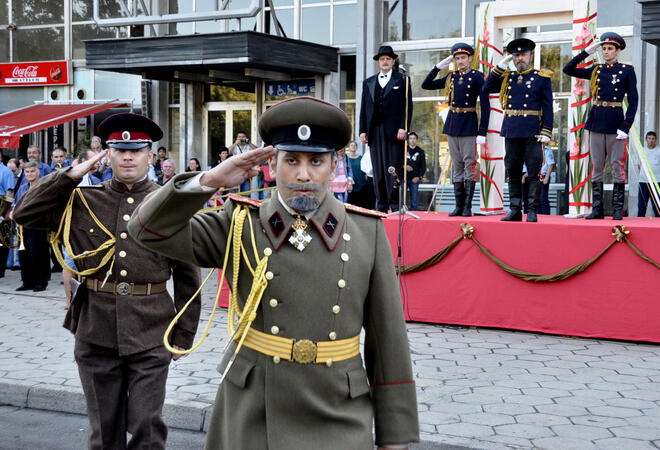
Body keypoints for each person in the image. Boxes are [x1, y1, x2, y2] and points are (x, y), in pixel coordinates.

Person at [128, 97, 419, 450]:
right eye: (291, 160)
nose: (303, 175)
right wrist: (209, 181)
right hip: (253, 409)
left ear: (334, 164)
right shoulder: (239, 224)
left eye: (317, 161)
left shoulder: (365, 232)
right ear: (272, 164)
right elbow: (146, 229)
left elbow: (388, 342)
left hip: (339, 412)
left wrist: (395, 437)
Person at [12, 112, 202, 450]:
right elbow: (23, 213)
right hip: (95, 329)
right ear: (107, 155)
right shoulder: (84, 199)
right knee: (104, 432)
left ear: (149, 154)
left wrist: (184, 333)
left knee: (147, 427)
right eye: (119, 149)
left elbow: (188, 275)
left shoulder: (168, 203)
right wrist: (68, 176)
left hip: (152, 329)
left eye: (137, 150)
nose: (128, 156)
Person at [563, 32, 638, 220]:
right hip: (597, 122)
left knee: (616, 167)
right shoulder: (596, 70)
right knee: (597, 167)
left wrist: (626, 126)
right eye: (603, 49)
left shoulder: (626, 71)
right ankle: (597, 209)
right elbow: (568, 69)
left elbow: (634, 101)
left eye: (610, 49)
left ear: (618, 50)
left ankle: (617, 210)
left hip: (616, 124)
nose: (606, 52)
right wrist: (585, 53)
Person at [483, 38, 554, 222]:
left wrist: (546, 131)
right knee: (513, 172)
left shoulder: (541, 78)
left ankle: (531, 210)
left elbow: (548, 107)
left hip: (533, 132)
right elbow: (486, 87)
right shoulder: (508, 77)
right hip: (512, 130)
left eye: (523, 55)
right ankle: (515, 209)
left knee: (533, 172)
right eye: (516, 56)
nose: (519, 59)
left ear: (530, 55)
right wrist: (499, 67)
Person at [421, 43, 489, 216]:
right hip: (453, 124)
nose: (460, 61)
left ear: (470, 58)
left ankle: (467, 206)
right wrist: (437, 68)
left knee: (469, 164)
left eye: (463, 58)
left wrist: (482, 131)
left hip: (468, 123)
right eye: (457, 58)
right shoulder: (451, 77)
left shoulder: (477, 77)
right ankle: (458, 206)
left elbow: (486, 106)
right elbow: (426, 85)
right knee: (456, 166)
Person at [359, 45, 413, 212]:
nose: (385, 62)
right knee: (378, 169)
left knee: (393, 167)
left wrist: (403, 127)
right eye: (382, 59)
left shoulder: (403, 79)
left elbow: (407, 107)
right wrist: (362, 130)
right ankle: (381, 204)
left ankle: (395, 204)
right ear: (378, 62)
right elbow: (363, 109)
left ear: (393, 61)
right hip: (375, 131)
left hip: (394, 131)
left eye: (388, 59)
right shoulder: (368, 82)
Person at [12, 162, 50, 291]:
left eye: (32, 171)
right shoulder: (22, 188)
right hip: (24, 226)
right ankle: (27, 282)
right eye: (27, 172)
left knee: (38, 254)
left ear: (38, 172)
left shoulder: (43, 187)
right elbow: (16, 205)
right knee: (24, 255)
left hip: (38, 225)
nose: (29, 174)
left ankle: (41, 282)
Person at [637, 131, 660, 217]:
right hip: (643, 182)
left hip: (657, 182)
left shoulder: (659, 150)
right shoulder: (641, 150)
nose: (651, 140)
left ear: (656, 140)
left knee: (657, 205)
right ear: (646, 140)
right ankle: (639, 224)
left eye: (653, 138)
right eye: (649, 138)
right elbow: (639, 165)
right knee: (641, 205)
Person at [0, 155, 16, 278]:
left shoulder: (6, 171)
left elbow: (10, 192)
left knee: (2, 240)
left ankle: (1, 269)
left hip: (2, 207)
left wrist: (5, 211)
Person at [405, 132, 426, 211]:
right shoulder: (404, 150)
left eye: (414, 138)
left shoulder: (420, 151)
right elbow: (398, 162)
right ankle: (401, 213)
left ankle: (414, 215)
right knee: (401, 199)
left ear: (416, 140)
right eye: (410, 138)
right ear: (408, 140)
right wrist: (404, 166)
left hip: (414, 179)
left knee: (414, 199)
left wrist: (419, 177)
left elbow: (423, 167)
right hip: (404, 178)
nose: (412, 140)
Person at [346, 141, 369, 208]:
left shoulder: (361, 158)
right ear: (349, 147)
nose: (353, 147)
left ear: (356, 147)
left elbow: (365, 169)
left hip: (361, 182)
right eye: (351, 145)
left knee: (361, 203)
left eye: (354, 145)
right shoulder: (346, 158)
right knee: (351, 203)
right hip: (350, 183)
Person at [539, 145, 556, 215]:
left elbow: (551, 164)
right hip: (535, 176)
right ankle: (538, 216)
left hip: (544, 175)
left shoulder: (547, 150)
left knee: (543, 198)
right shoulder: (534, 148)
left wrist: (547, 177)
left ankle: (546, 216)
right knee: (535, 199)